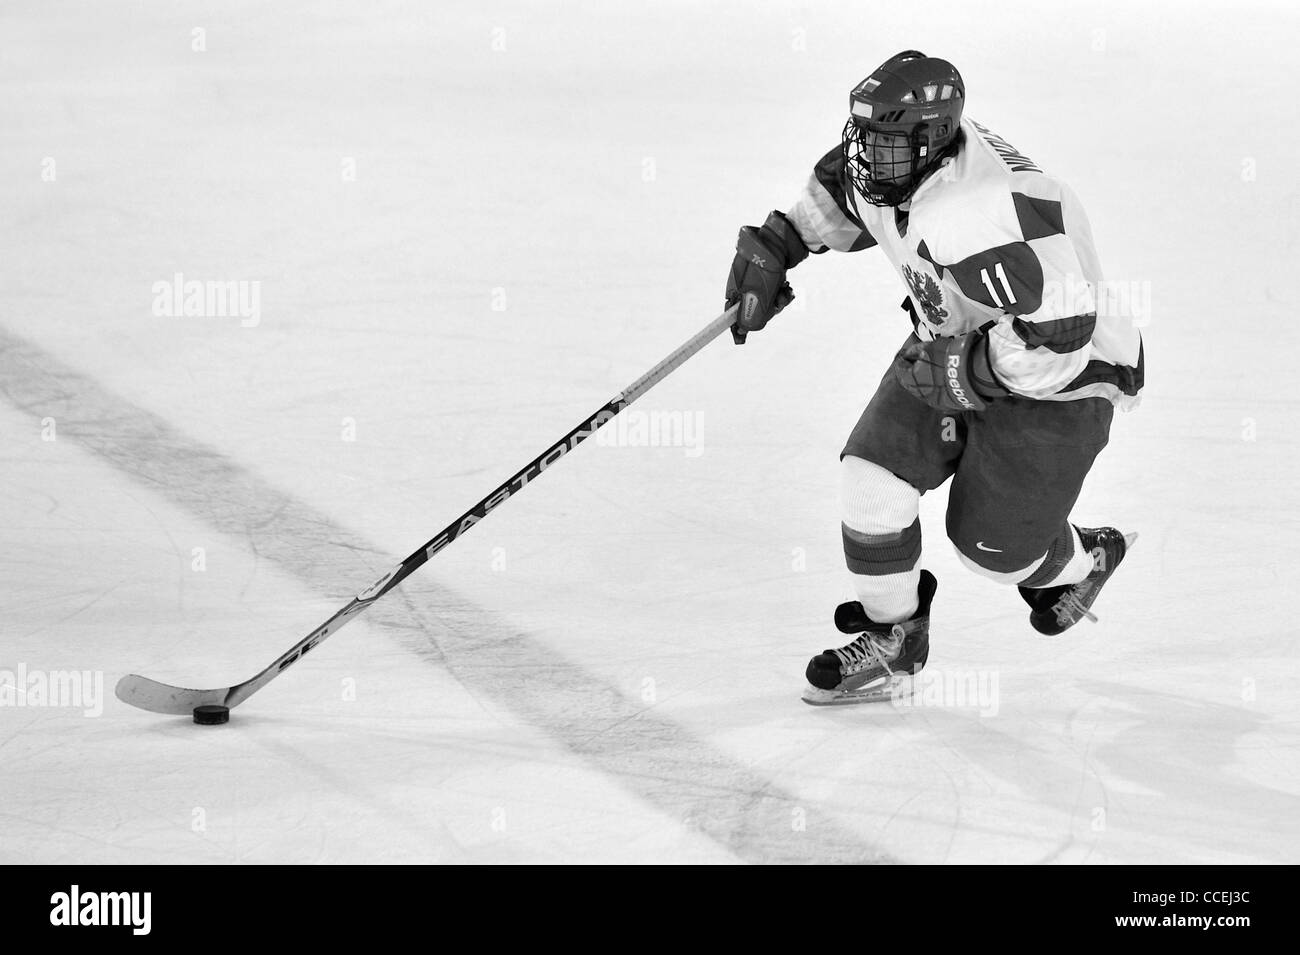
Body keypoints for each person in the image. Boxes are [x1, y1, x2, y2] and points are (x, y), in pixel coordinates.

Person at [724, 50, 1144, 705]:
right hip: (951, 342)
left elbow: (1065, 326)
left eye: (885, 146)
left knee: (991, 553)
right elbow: (843, 186)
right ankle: (896, 641)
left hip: (1059, 391)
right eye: (863, 138)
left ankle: (1079, 561)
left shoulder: (981, 212)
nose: (866, 158)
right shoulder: (900, 165)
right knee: (870, 479)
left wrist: (969, 370)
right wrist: (780, 243)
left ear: (932, 141)